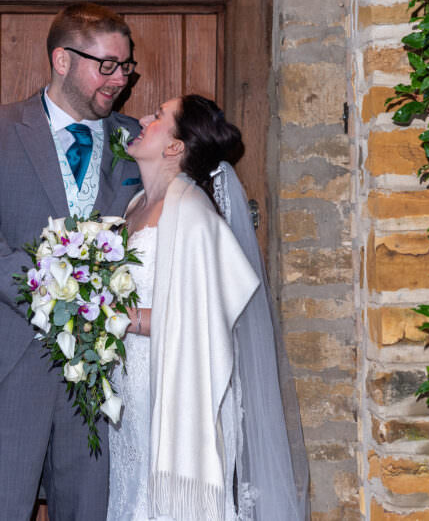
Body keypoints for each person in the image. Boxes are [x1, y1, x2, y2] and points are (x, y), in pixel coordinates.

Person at [0, 3, 143, 520]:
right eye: (108, 65)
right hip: (9, 363)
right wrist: (62, 295)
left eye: (126, 67)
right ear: (62, 59)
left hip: (105, 375)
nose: (119, 79)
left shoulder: (136, 142)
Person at [108, 94, 310, 521]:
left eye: (159, 116)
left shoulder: (193, 214)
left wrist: (120, 318)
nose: (144, 118)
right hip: (132, 389)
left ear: (175, 147)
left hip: (178, 386)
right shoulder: (133, 208)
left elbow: (206, 323)